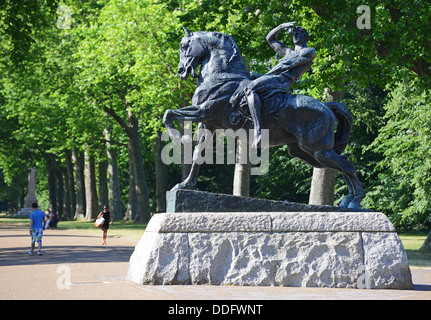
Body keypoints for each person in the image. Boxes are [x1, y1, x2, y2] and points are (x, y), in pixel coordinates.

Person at [230, 23, 316, 147]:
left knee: (250, 88)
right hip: (274, 78)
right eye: (294, 33)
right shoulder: (288, 51)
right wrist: (281, 26)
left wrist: (264, 76)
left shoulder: (308, 51)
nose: (296, 35)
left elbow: (285, 65)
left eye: (299, 33)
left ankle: (259, 131)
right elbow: (270, 39)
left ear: (305, 37)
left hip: (283, 81)